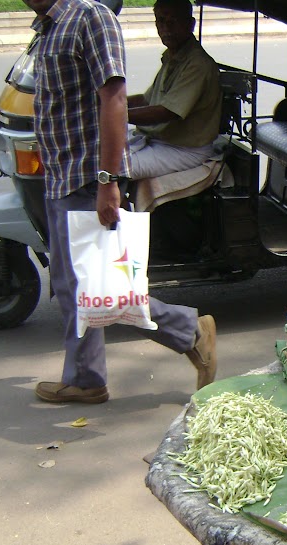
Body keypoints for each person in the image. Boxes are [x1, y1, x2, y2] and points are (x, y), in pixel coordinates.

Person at [25, 0, 217, 404]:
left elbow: (114, 97)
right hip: (61, 174)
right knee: (75, 284)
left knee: (96, 287)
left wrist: (108, 181)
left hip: (85, 175)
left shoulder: (88, 17)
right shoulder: (46, 27)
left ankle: (187, 331)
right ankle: (88, 376)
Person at [126, 0, 222, 180]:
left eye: (173, 21)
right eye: (161, 21)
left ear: (190, 24)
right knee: (96, 148)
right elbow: (147, 100)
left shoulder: (198, 64)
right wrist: (109, 102)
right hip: (160, 141)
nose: (166, 28)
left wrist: (115, 114)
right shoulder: (173, 57)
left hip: (185, 150)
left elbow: (166, 112)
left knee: (111, 169)